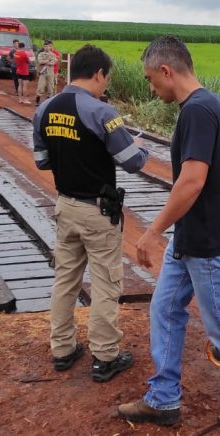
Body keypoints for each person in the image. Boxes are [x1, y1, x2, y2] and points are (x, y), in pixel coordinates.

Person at [118, 36, 220, 430]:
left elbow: (191, 181)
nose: (151, 88)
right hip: (192, 238)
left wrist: (153, 231)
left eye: (150, 79)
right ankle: (163, 399)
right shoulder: (217, 106)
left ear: (166, 70)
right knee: (165, 308)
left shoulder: (195, 112)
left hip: (205, 243)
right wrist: (219, 205)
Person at [32, 44, 149, 382]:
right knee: (105, 283)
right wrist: (140, 147)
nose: (105, 86)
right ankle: (105, 355)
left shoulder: (45, 110)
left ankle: (63, 349)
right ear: (99, 74)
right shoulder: (102, 112)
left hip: (64, 207)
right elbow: (132, 162)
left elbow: (41, 162)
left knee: (65, 279)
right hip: (98, 213)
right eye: (105, 80)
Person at [35, 40, 58, 104]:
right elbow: (40, 61)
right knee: (40, 87)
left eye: (47, 46)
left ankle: (49, 102)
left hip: (50, 73)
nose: (46, 48)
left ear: (50, 47)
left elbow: (53, 62)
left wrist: (45, 61)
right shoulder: (41, 54)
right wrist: (48, 60)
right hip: (43, 73)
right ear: (43, 47)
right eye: (45, 46)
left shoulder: (53, 54)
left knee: (51, 87)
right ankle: (37, 100)